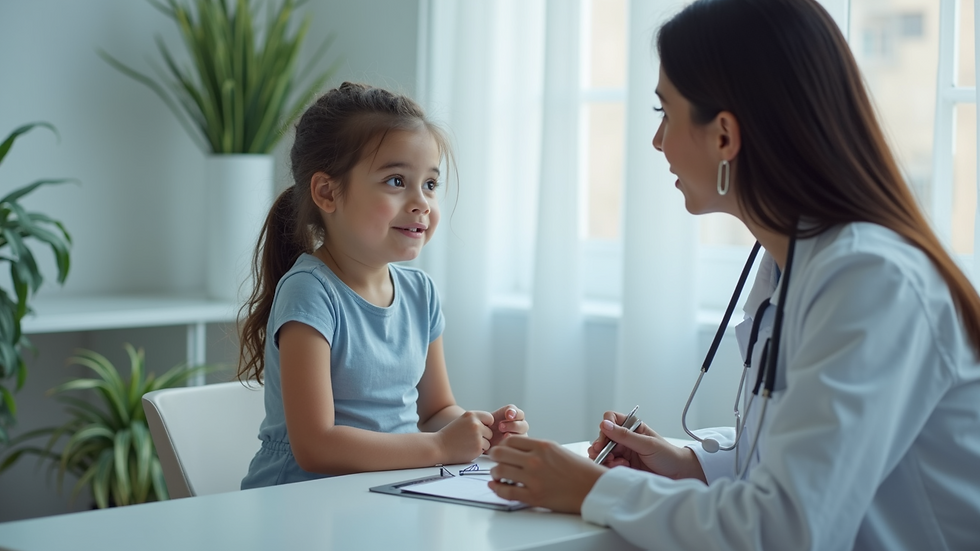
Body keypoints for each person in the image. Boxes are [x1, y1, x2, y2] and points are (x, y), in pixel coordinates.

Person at [486, 0, 980, 548]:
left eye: (665, 114)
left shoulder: (872, 280)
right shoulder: (790, 264)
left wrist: (594, 489)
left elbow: (787, 530)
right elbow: (799, 464)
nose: (657, 141)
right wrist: (692, 466)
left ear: (723, 135)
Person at [238, 82, 528, 489]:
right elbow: (316, 446)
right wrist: (440, 446)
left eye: (430, 184)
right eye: (396, 181)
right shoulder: (310, 292)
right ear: (327, 192)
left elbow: (435, 412)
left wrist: (479, 432)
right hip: (299, 499)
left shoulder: (420, 293)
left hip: (383, 491)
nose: (421, 202)